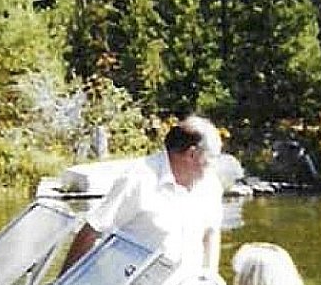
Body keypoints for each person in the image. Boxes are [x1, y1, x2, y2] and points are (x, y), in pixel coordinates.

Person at [58, 115, 224, 276]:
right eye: (213, 158)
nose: (215, 165)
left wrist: (210, 280)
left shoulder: (210, 185)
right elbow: (92, 230)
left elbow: (211, 233)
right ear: (192, 154)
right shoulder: (139, 178)